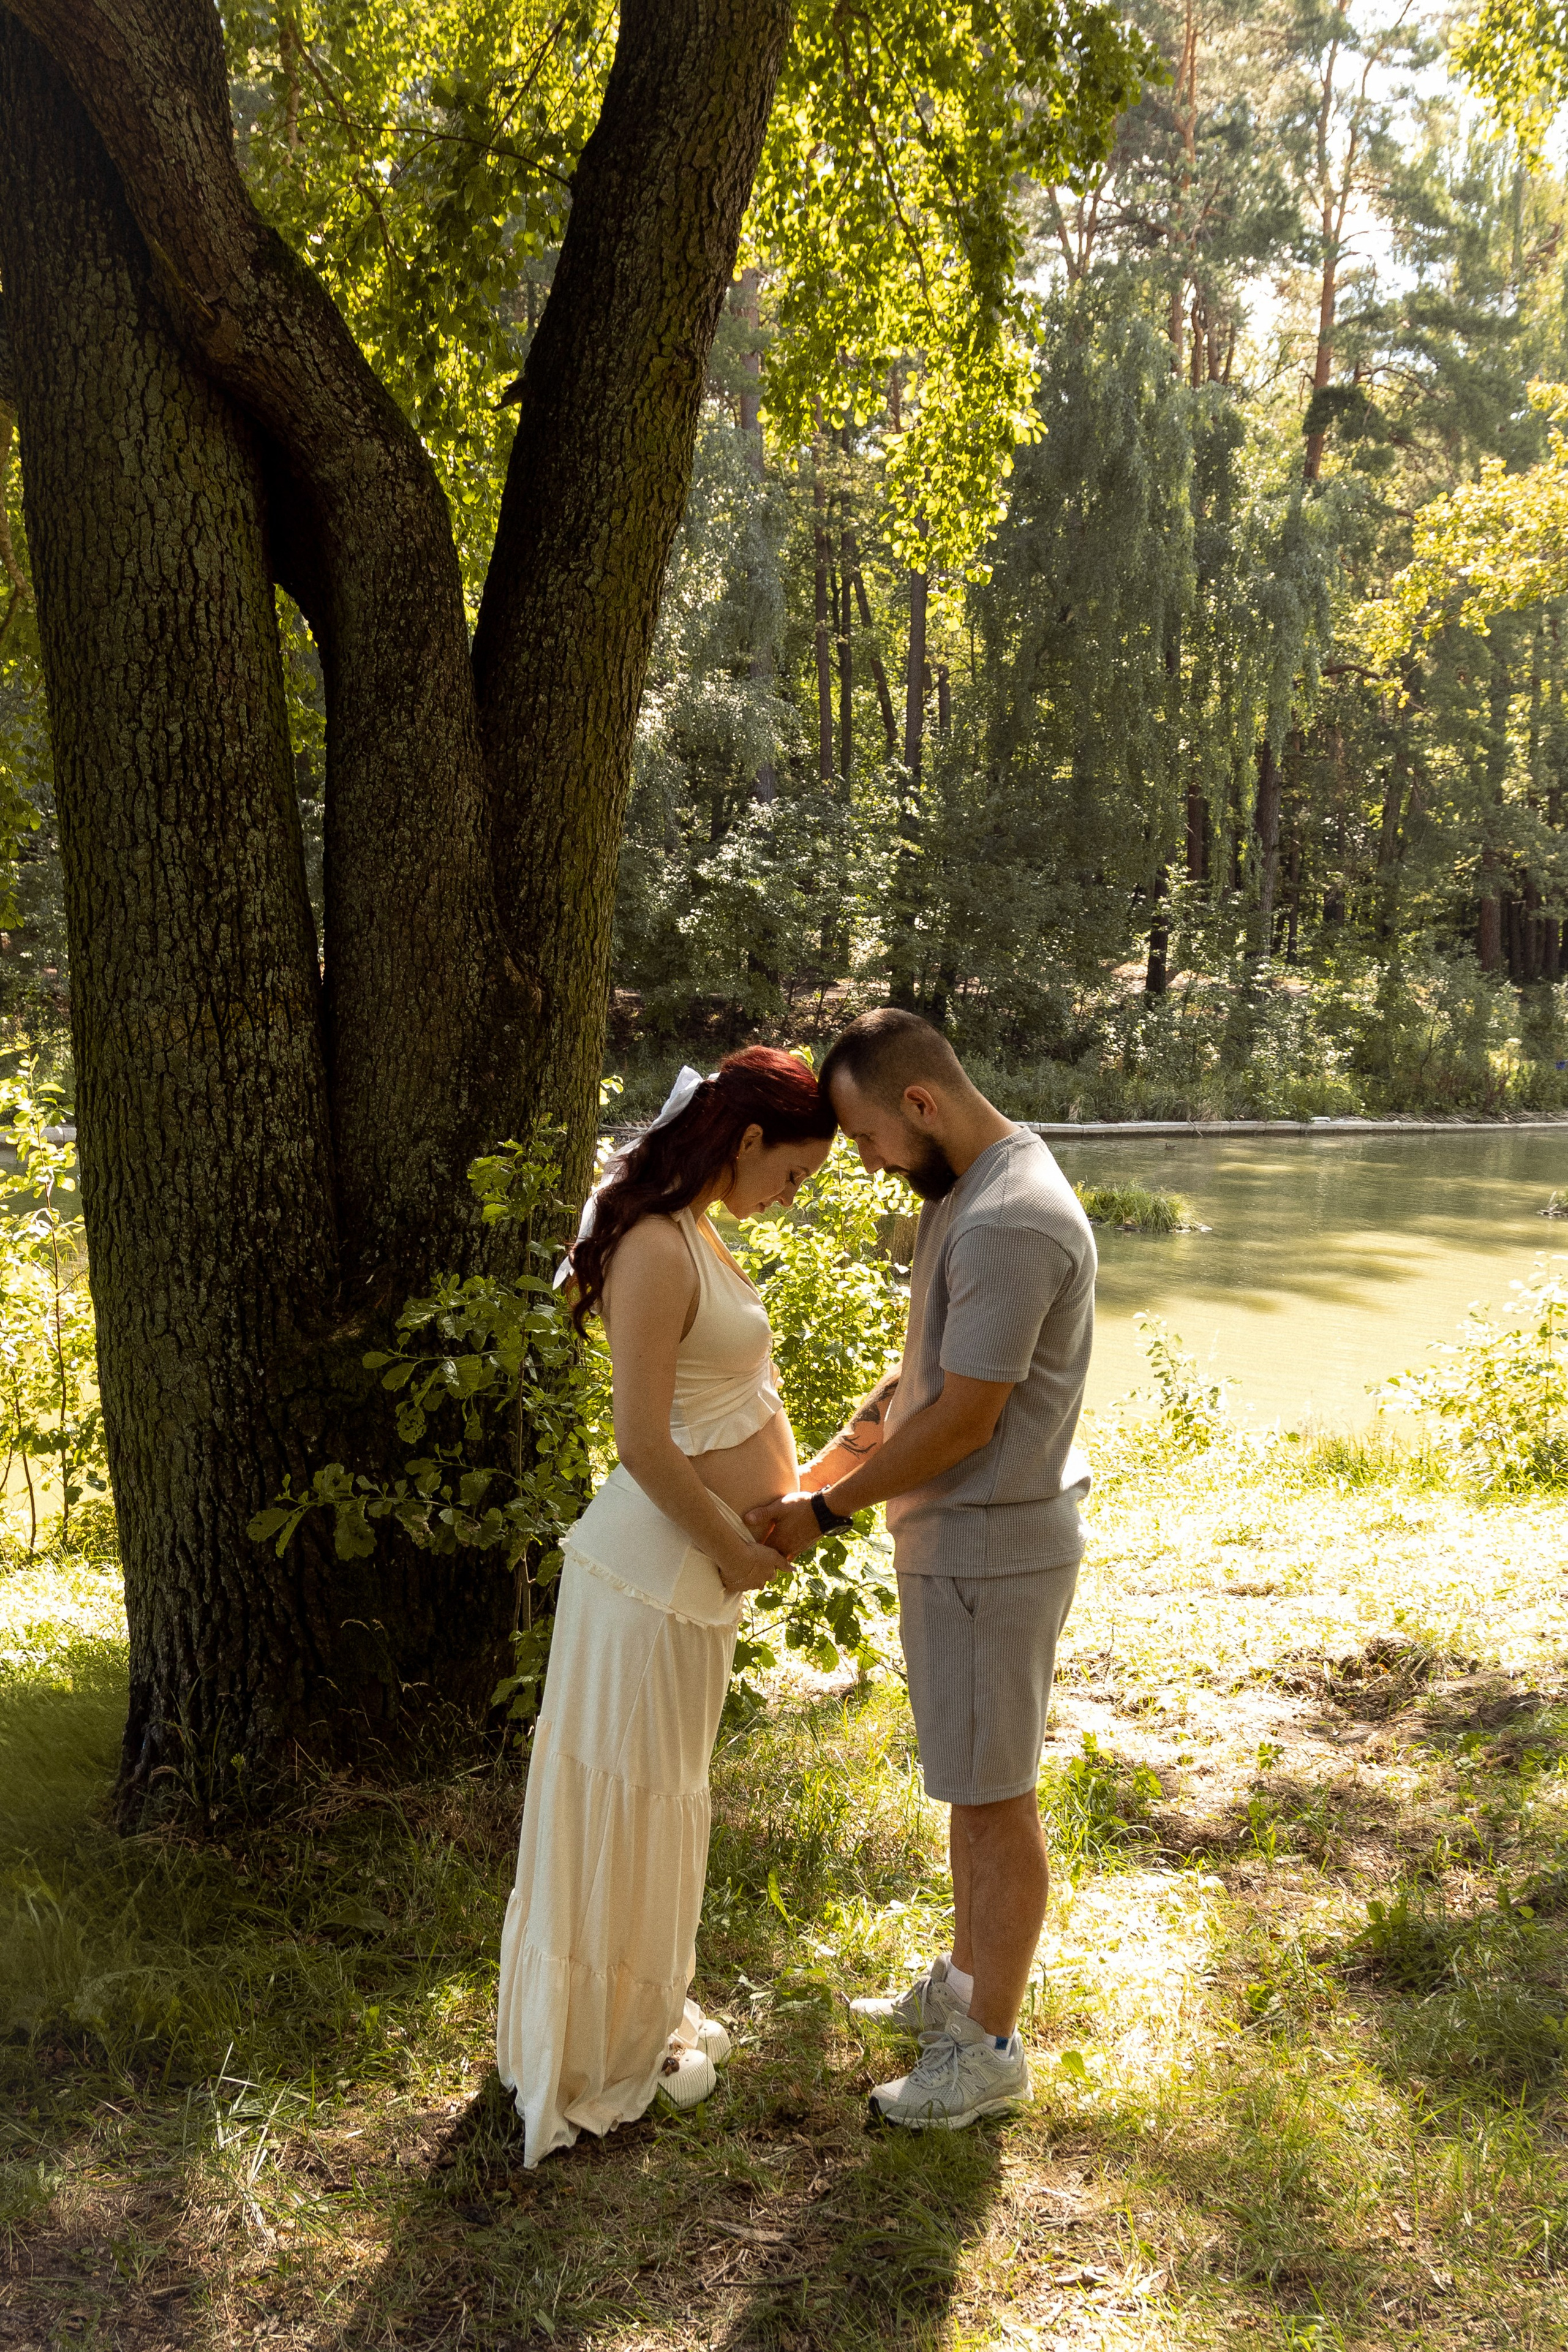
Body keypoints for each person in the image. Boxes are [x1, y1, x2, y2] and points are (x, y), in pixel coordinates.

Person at [747, 1009, 1095, 2132]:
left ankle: (989, 2049)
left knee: (997, 1800)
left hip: (991, 1550)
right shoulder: (970, 1191)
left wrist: (826, 1511)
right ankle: (960, 1986)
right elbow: (927, 1389)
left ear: (920, 1105)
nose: (864, 1164)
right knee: (969, 1777)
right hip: (960, 1548)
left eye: (865, 1140)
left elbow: (965, 1422)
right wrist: (853, 1441)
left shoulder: (1007, 1218)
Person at [496, 1049, 837, 2167]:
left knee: (661, 1799)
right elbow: (642, 1441)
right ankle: (588, 2052)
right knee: (626, 1799)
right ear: (745, 1141)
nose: (796, 1195)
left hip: (687, 1585)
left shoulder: (698, 1231)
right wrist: (735, 1550)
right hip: (651, 1581)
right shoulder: (651, 1244)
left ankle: (634, 2019)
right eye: (794, 1171)